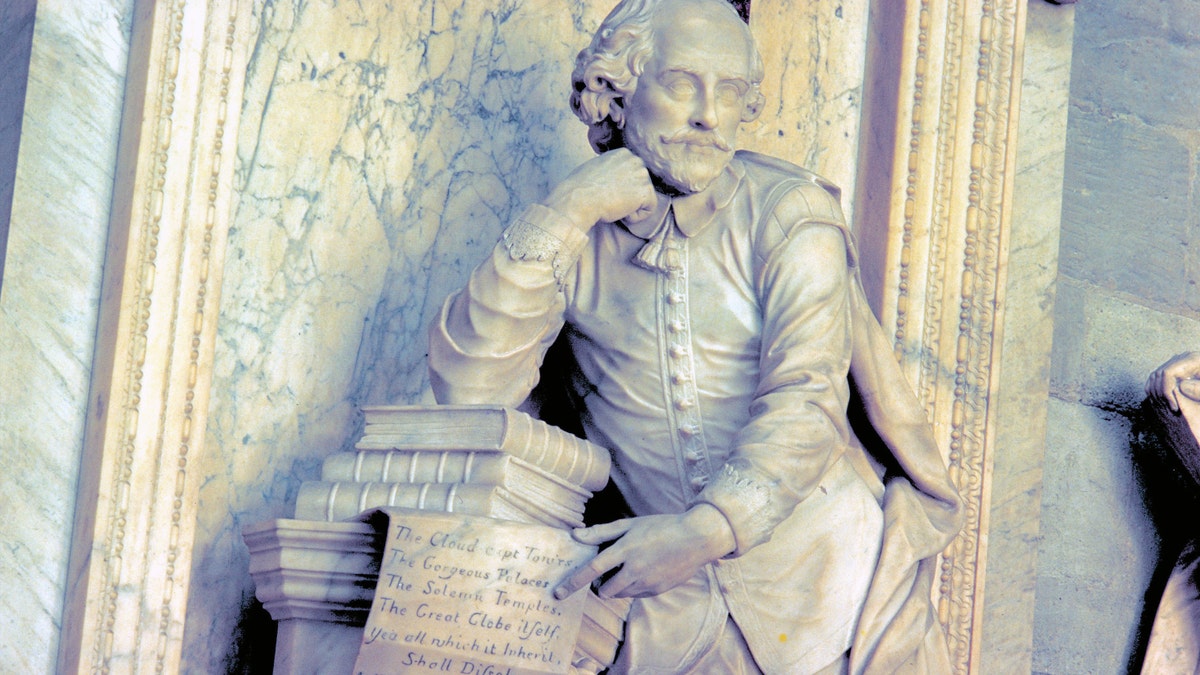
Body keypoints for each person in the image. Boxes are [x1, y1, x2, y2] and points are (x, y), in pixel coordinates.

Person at [428, 0, 963, 672]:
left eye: (732, 92)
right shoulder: (575, 240)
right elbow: (468, 395)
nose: (711, 115)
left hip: (832, 588)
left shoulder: (792, 213)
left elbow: (807, 397)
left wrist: (707, 529)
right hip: (670, 612)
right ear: (617, 94)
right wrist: (567, 210)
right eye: (683, 84)